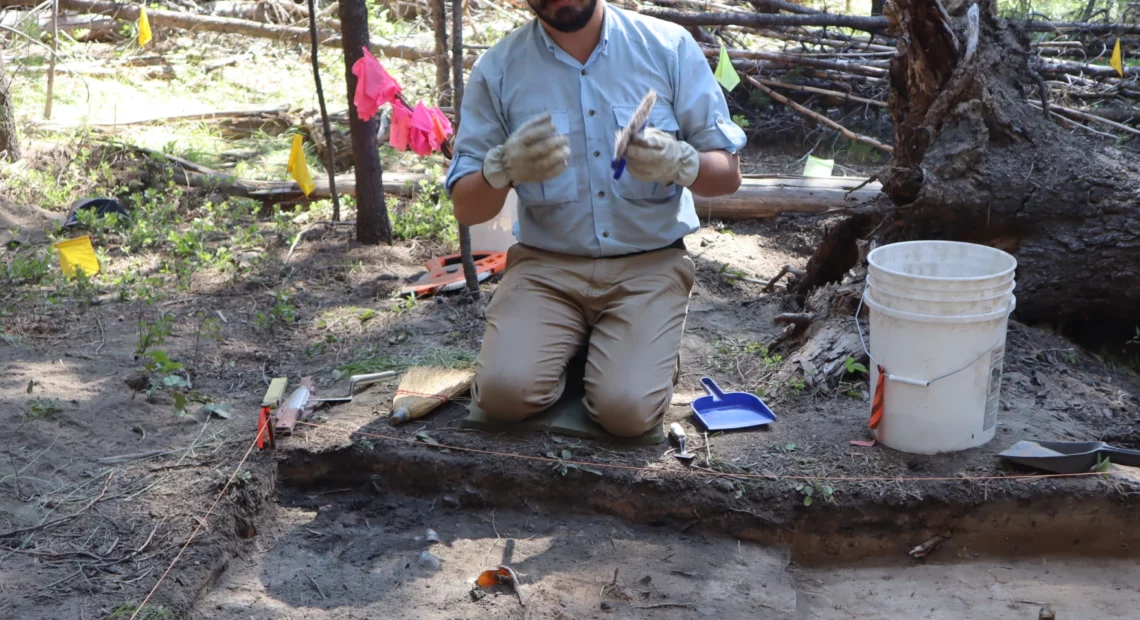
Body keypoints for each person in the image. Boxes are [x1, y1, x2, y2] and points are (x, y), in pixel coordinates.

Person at [444, 0, 746, 438]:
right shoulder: (498, 69)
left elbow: (729, 176)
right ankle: (585, 348)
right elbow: (468, 209)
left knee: (626, 413)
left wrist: (684, 163)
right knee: (502, 396)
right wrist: (501, 167)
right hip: (546, 266)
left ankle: (633, 355)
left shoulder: (668, 47)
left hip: (649, 264)